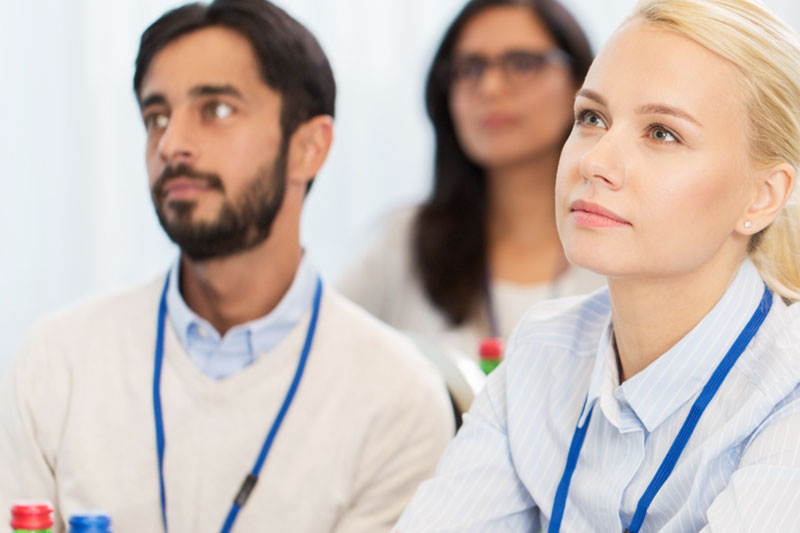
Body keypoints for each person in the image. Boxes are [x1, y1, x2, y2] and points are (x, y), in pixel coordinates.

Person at [0, 1, 454, 531]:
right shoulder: (60, 361)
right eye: (156, 117)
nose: (172, 145)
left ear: (310, 146)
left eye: (215, 110)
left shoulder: (398, 399)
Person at [395, 0, 800, 530]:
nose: (595, 161)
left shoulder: (785, 391)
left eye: (662, 132)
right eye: (592, 118)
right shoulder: (544, 351)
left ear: (762, 198)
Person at [338, 0, 604, 359]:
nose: (490, 88)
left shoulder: (623, 240)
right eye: (470, 68)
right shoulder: (406, 242)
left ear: (580, 82)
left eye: (522, 64)